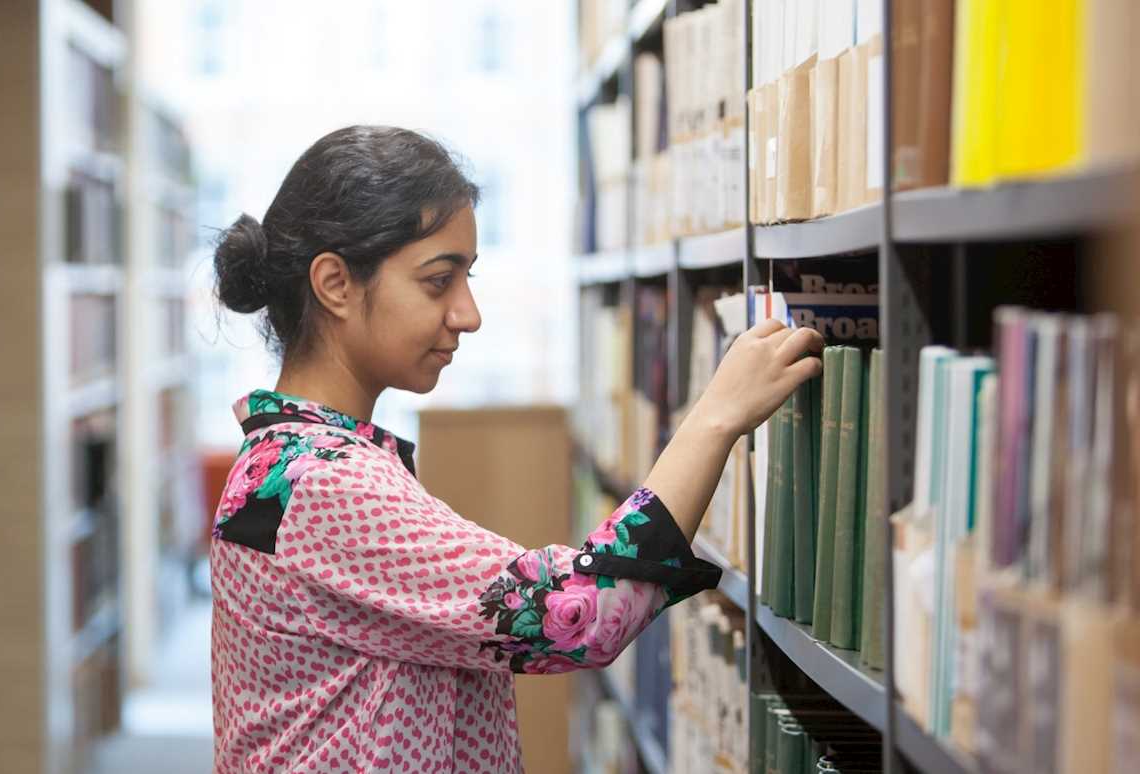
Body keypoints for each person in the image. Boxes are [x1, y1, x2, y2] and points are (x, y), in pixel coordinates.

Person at [209, 125, 823, 773]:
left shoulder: (281, 465)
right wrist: (717, 417)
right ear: (335, 283)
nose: (467, 314)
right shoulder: (319, 483)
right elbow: (578, 617)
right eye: (437, 281)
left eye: (465, 278)